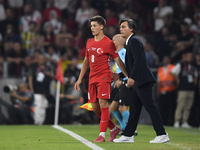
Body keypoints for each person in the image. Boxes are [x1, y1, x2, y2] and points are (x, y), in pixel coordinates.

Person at [113, 18, 169, 143]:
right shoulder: (131, 42)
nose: (120, 29)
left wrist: (132, 77)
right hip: (139, 80)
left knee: (150, 107)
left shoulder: (134, 41)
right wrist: (121, 76)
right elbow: (132, 64)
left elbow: (139, 60)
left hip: (142, 80)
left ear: (131, 28)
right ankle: (128, 135)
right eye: (120, 27)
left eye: (123, 27)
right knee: (134, 109)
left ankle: (162, 134)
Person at [74, 15, 128, 142]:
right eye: (91, 26)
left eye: (95, 25)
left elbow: (117, 60)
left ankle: (102, 135)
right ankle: (114, 129)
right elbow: (86, 61)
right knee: (95, 107)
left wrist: (126, 75)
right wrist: (80, 78)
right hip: (92, 78)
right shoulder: (89, 42)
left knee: (103, 104)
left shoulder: (108, 43)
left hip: (104, 77)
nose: (92, 28)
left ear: (102, 26)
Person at [109, 34, 131, 134]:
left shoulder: (123, 53)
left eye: (113, 40)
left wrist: (121, 79)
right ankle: (123, 127)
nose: (111, 42)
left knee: (123, 107)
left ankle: (132, 129)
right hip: (122, 82)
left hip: (126, 83)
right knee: (113, 107)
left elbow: (127, 68)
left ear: (118, 42)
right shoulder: (118, 53)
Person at [171, 52, 198, 128]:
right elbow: (172, 72)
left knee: (188, 106)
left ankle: (184, 122)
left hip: (191, 89)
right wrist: (177, 79)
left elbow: (195, 76)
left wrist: (194, 84)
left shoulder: (193, 66)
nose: (190, 58)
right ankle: (177, 121)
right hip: (182, 89)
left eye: (190, 56)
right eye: (188, 56)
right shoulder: (181, 65)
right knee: (180, 105)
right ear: (185, 57)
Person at [157, 55, 176, 125]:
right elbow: (159, 82)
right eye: (164, 59)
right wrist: (158, 92)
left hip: (171, 90)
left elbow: (176, 77)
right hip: (162, 90)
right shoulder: (160, 69)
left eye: (167, 59)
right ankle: (163, 122)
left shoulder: (173, 67)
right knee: (162, 108)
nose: (165, 60)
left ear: (169, 60)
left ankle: (170, 122)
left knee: (170, 108)